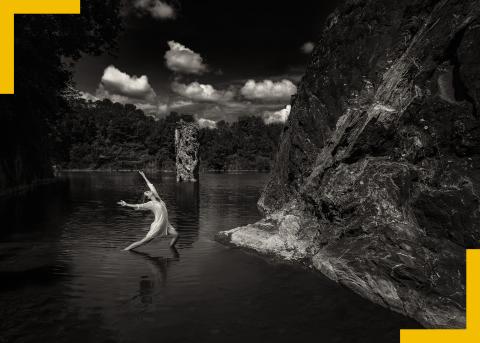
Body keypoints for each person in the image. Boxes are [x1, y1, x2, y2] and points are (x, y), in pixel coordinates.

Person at [118, 171, 179, 250]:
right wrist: (126, 204)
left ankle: (171, 248)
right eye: (147, 192)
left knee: (176, 235)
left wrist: (144, 176)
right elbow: (138, 206)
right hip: (158, 226)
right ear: (148, 197)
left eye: (148, 191)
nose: (148, 191)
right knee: (143, 242)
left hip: (166, 224)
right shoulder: (150, 203)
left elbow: (151, 185)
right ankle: (125, 250)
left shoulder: (158, 198)